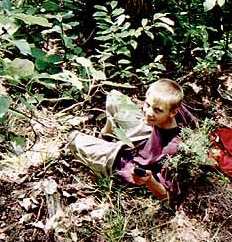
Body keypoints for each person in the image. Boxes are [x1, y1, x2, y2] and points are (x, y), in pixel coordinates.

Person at [66, 78, 197, 199]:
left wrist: (149, 180)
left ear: (173, 112)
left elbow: (167, 195)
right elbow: (195, 125)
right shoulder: (174, 109)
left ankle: (108, 152)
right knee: (114, 97)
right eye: (147, 105)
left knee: (73, 138)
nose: (149, 112)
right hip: (146, 134)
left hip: (127, 160)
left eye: (158, 110)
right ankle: (106, 135)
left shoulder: (172, 148)